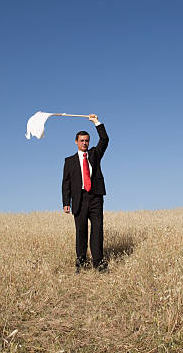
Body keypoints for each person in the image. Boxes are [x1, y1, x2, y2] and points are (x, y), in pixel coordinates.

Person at [62, 114, 109, 272]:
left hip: (95, 197)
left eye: (87, 140)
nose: (84, 143)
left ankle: (98, 262)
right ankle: (81, 262)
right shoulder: (69, 161)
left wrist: (96, 122)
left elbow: (104, 139)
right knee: (81, 230)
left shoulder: (95, 154)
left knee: (97, 229)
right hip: (79, 199)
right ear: (76, 142)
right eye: (81, 140)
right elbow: (66, 183)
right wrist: (66, 202)